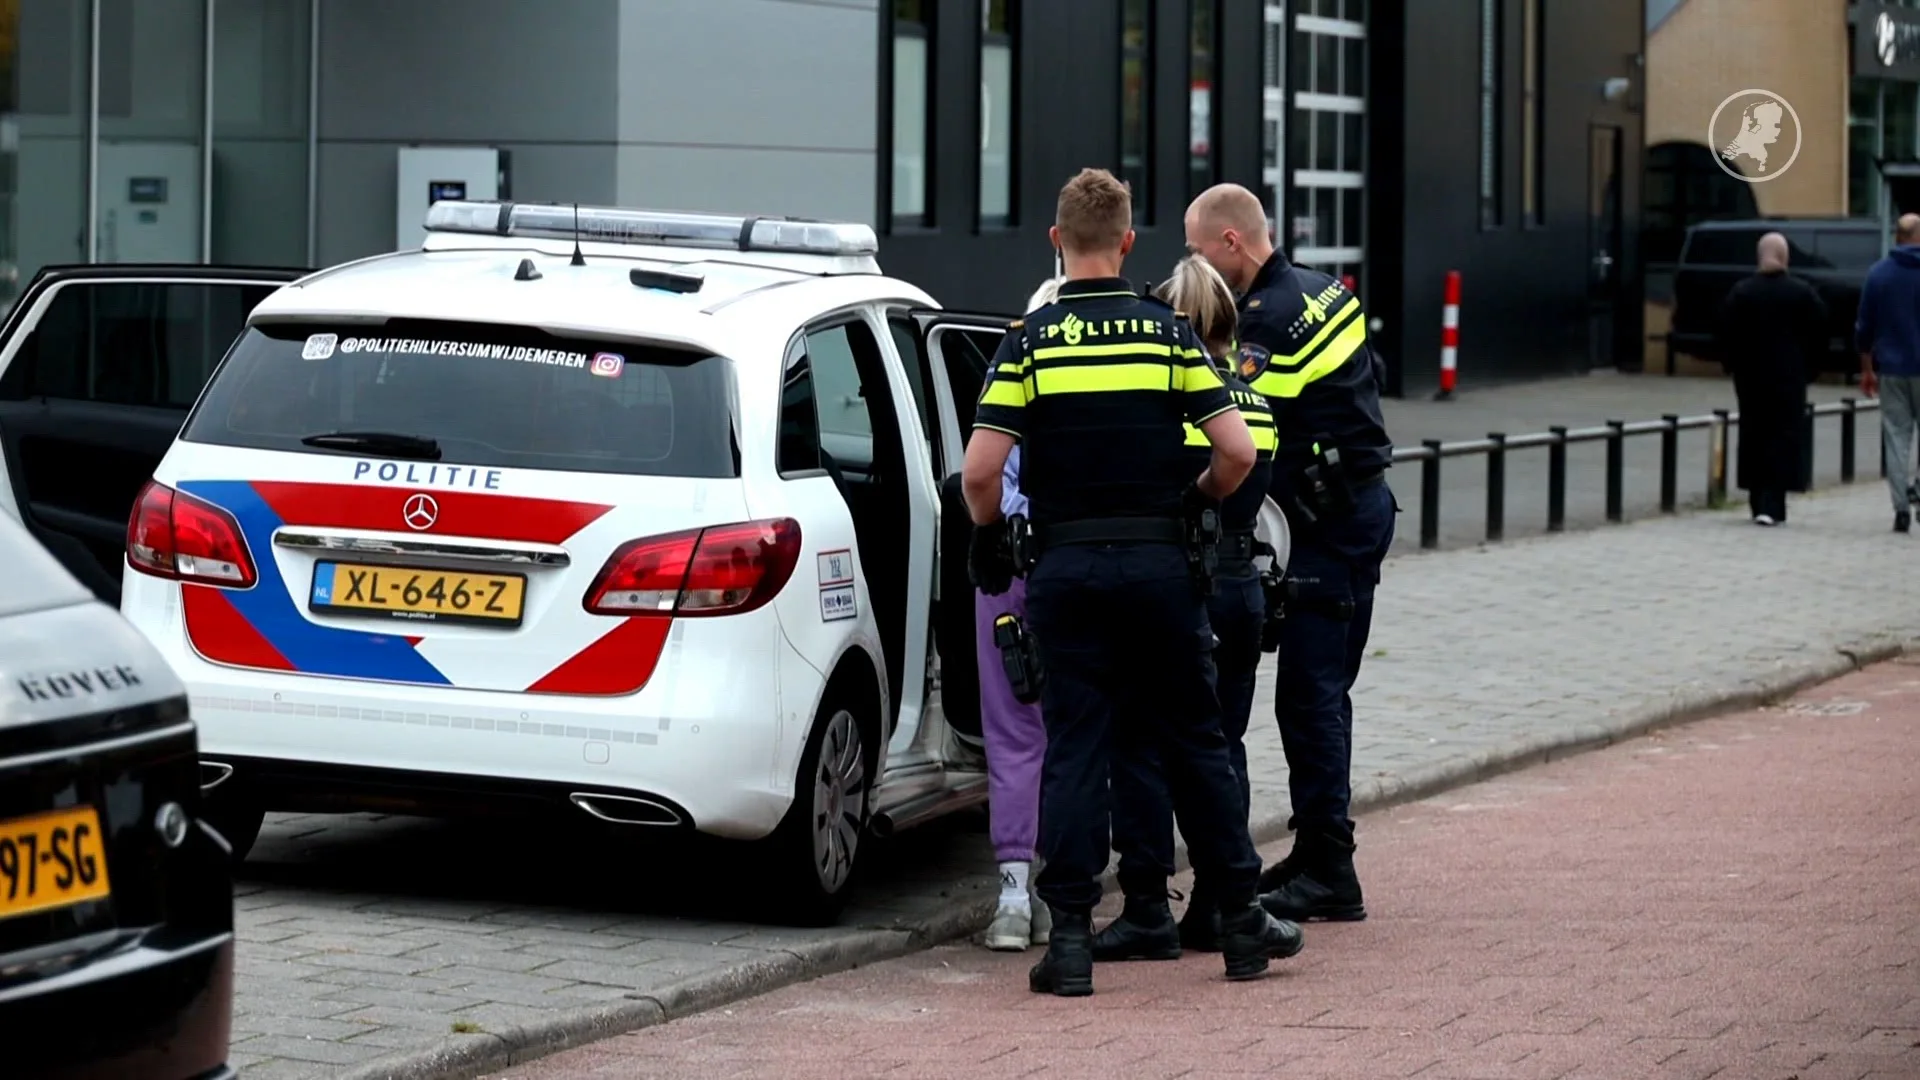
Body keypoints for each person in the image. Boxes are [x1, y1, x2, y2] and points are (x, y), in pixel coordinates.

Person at [961, 167, 1304, 996]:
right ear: (1125, 244)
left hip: (1067, 572)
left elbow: (980, 473)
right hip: (1161, 571)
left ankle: (1071, 940)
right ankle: (1242, 926)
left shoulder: (1030, 342)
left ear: (1055, 241)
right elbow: (1239, 453)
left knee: (1079, 748)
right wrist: (1193, 504)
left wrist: (989, 539)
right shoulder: (1166, 336)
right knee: (1197, 744)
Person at [1184, 182, 1394, 923]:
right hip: (1359, 507)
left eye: (1198, 250)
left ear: (1231, 244)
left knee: (1308, 697)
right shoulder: (1326, 290)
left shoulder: (1265, 324)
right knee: (1322, 690)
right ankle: (1315, 852)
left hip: (1327, 526)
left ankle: (1331, 870)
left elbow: (1235, 422)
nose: (1196, 264)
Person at [1091, 254, 1279, 962]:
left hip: (1178, 585)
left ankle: (1146, 905)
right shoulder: (1256, 403)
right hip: (1241, 590)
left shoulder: (1174, 404)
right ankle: (1223, 902)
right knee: (1220, 745)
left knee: (1139, 743)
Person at [978, 274, 1064, 953]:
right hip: (1091, 574)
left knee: (1014, 731)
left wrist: (1000, 537)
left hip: (1013, 573)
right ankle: (1069, 894)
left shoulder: (1012, 365)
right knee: (1084, 732)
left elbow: (982, 479)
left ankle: (1013, 896)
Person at [1713, 232, 1826, 526]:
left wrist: (1731, 365)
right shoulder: (1802, 293)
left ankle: (1756, 499)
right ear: (1785, 257)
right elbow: (1821, 334)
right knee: (1784, 436)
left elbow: (1725, 334)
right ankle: (1775, 501)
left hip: (1750, 377)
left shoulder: (1742, 293)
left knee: (1753, 433)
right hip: (1789, 378)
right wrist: (1810, 369)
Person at [1855, 212, 1920, 533]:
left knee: (1896, 437)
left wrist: (1868, 368)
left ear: (1898, 237)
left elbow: (1864, 328)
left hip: (1892, 369)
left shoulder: (1878, 274)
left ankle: (1901, 509)